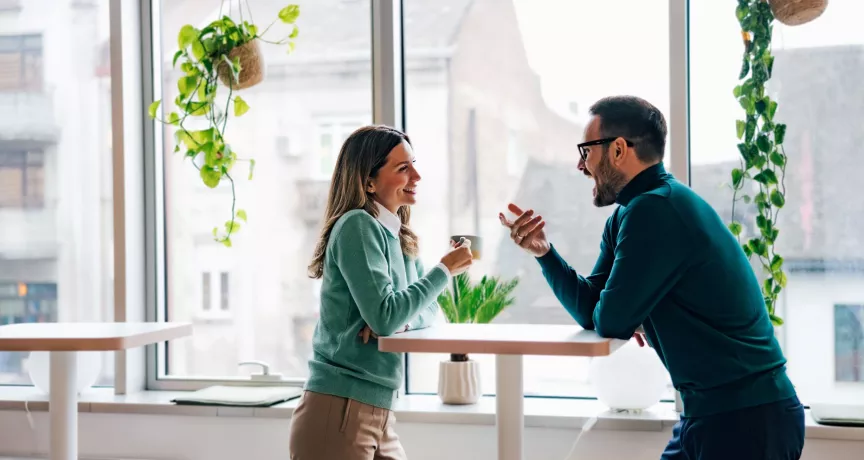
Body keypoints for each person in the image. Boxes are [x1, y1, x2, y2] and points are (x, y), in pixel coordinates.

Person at [500, 96, 804, 459]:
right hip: (709, 414)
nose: (580, 165)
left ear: (617, 150)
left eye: (586, 151)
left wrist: (635, 311)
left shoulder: (655, 209)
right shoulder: (630, 215)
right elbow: (592, 312)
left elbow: (611, 318)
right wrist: (545, 253)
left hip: (746, 418)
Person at [289, 125, 474, 459]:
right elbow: (387, 315)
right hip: (340, 408)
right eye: (403, 168)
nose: (417, 175)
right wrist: (443, 270)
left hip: (379, 409)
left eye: (413, 164)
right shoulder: (357, 227)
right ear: (368, 181)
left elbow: (427, 313)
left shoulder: (399, 237)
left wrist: (398, 320)